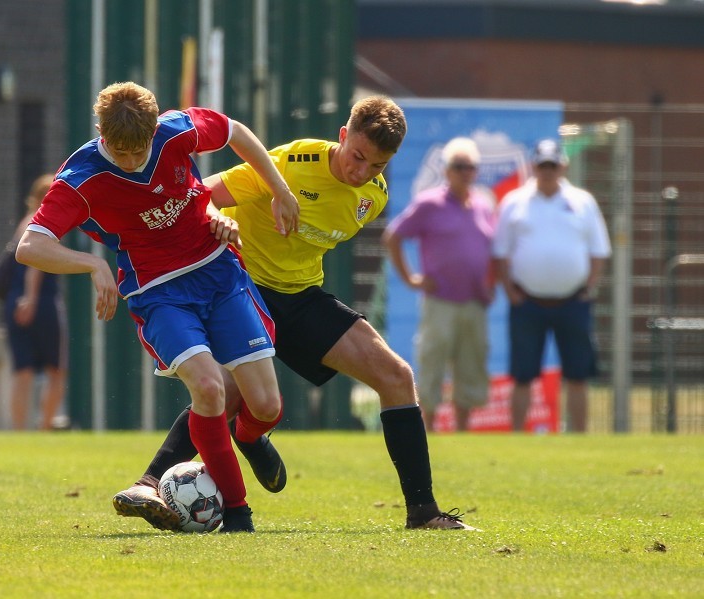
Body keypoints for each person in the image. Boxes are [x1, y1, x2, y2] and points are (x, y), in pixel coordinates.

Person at [114, 95, 477, 531]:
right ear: (342, 137)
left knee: (397, 377)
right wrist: (220, 223)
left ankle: (423, 512)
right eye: (357, 156)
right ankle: (150, 482)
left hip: (301, 296)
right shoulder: (289, 164)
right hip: (242, 288)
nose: (360, 172)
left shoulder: (373, 197)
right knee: (225, 392)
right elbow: (200, 195)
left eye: (376, 166)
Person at [15, 81, 300, 533]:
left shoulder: (175, 130)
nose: (133, 163)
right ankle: (238, 514)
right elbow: (30, 246)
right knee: (208, 389)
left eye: (140, 151)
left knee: (266, 405)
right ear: (101, 134)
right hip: (159, 292)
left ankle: (247, 436)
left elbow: (236, 132)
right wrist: (92, 265)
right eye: (121, 153)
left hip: (219, 274)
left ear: (153, 131)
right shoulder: (81, 177)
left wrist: (280, 190)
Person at [493, 139, 611, 432]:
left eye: (553, 165)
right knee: (522, 375)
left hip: (573, 302)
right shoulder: (514, 202)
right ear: (533, 166)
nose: (547, 171)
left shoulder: (583, 202)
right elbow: (500, 253)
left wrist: (589, 286)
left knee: (578, 374)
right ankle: (518, 436)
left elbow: (599, 250)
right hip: (527, 302)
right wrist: (510, 291)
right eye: (542, 165)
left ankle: (579, 437)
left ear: (563, 166)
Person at [381, 137, 494, 432]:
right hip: (440, 300)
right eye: (459, 166)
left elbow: (491, 250)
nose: (465, 172)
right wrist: (411, 278)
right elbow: (393, 237)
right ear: (447, 170)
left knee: (470, 366)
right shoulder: (430, 204)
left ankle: (462, 433)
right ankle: (428, 430)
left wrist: (490, 284)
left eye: (470, 167)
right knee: (433, 363)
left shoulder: (483, 206)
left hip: (474, 302)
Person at [5, 173, 67, 431]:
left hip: (14, 300)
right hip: (40, 301)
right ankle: (44, 428)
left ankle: (20, 431)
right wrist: (30, 299)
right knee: (56, 371)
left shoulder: (22, 223)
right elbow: (34, 266)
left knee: (23, 372)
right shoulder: (42, 225)